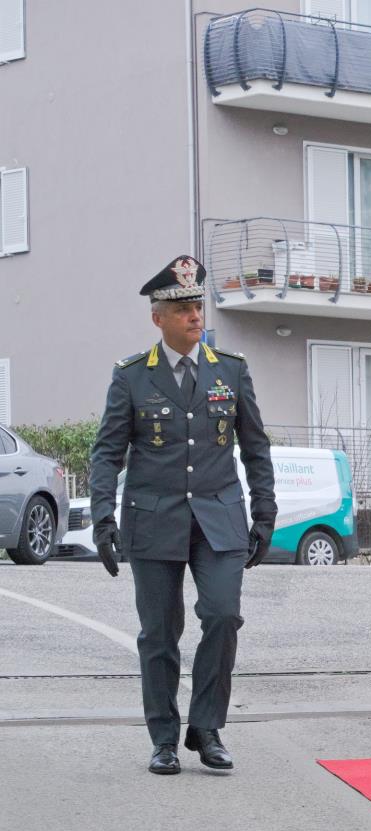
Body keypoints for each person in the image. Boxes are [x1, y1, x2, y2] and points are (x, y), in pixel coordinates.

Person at [88, 255, 276, 776]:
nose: (195, 315)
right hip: (154, 519)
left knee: (222, 615)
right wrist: (103, 519)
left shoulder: (230, 370)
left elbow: (255, 447)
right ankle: (164, 739)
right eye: (182, 308)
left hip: (220, 518)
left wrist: (265, 513)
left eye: (197, 305)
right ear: (158, 318)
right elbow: (107, 453)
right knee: (159, 633)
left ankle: (206, 727)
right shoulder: (131, 376)